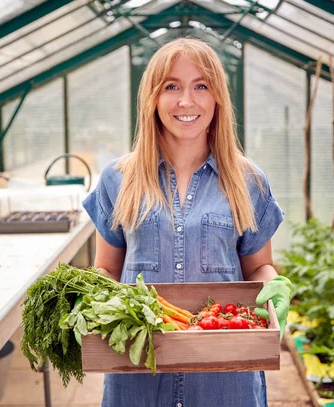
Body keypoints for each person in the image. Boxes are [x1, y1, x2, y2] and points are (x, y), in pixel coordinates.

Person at [82, 38, 292, 407]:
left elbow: (258, 266)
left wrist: (273, 285)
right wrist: (87, 295)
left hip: (225, 377)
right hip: (139, 370)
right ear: (152, 98)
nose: (186, 101)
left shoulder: (248, 181)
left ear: (217, 99)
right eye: (172, 87)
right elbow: (107, 269)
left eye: (201, 86)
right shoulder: (118, 178)